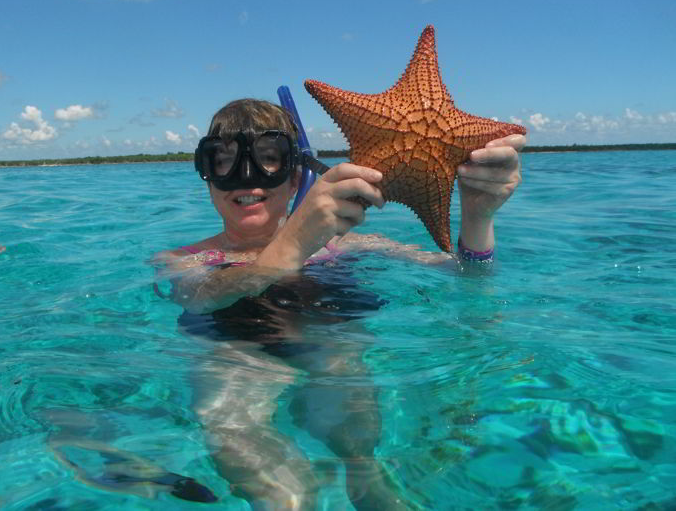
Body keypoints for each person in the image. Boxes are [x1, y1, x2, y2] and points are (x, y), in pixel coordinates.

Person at [153, 98, 525, 509]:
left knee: (362, 455)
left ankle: (363, 471)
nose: (247, 179)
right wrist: (292, 246)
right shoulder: (183, 260)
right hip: (234, 355)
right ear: (207, 181)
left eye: (268, 160)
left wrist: (478, 215)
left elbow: (469, 276)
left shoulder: (348, 247)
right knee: (282, 493)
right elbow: (202, 297)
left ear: (296, 179)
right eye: (222, 162)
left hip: (329, 349)